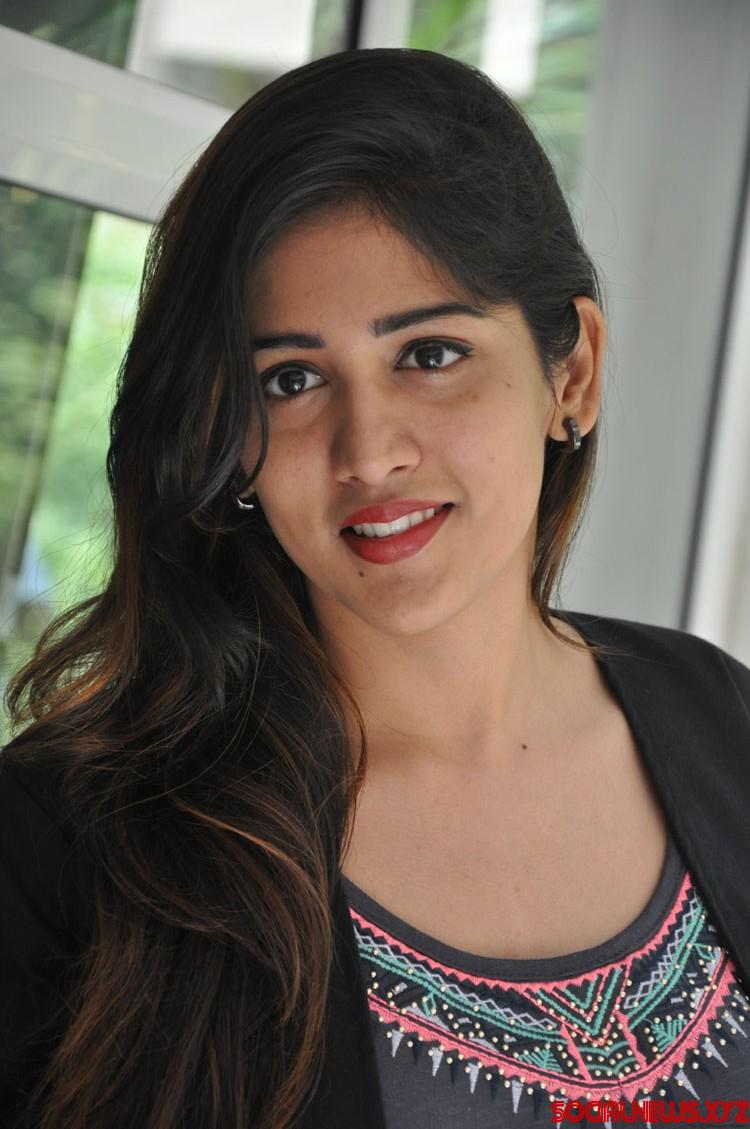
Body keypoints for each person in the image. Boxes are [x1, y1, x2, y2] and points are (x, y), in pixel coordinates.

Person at [2, 46, 750, 1129]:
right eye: (291, 379)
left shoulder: (725, 723)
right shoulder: (70, 843)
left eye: (429, 354)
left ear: (573, 371)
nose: (368, 451)